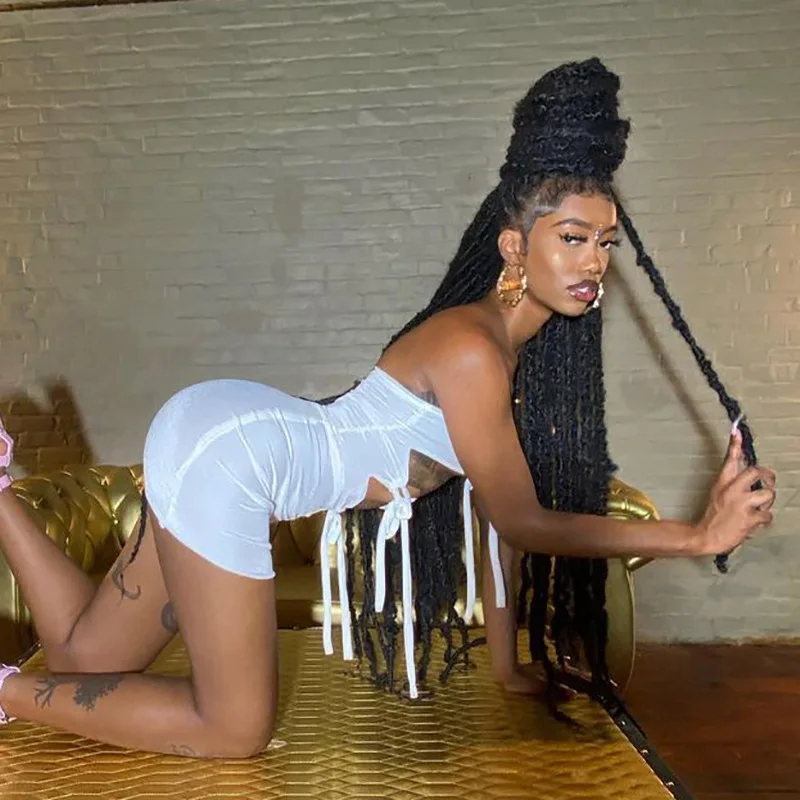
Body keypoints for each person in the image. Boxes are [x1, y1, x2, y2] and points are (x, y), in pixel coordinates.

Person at [0, 58, 775, 759]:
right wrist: (697, 535)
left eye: (606, 243)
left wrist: (506, 669)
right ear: (515, 246)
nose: (594, 263)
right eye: (572, 238)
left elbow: (496, 526)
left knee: (81, 659)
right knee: (232, 729)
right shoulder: (471, 349)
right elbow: (524, 523)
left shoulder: (501, 359)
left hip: (216, 434)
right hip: (232, 459)